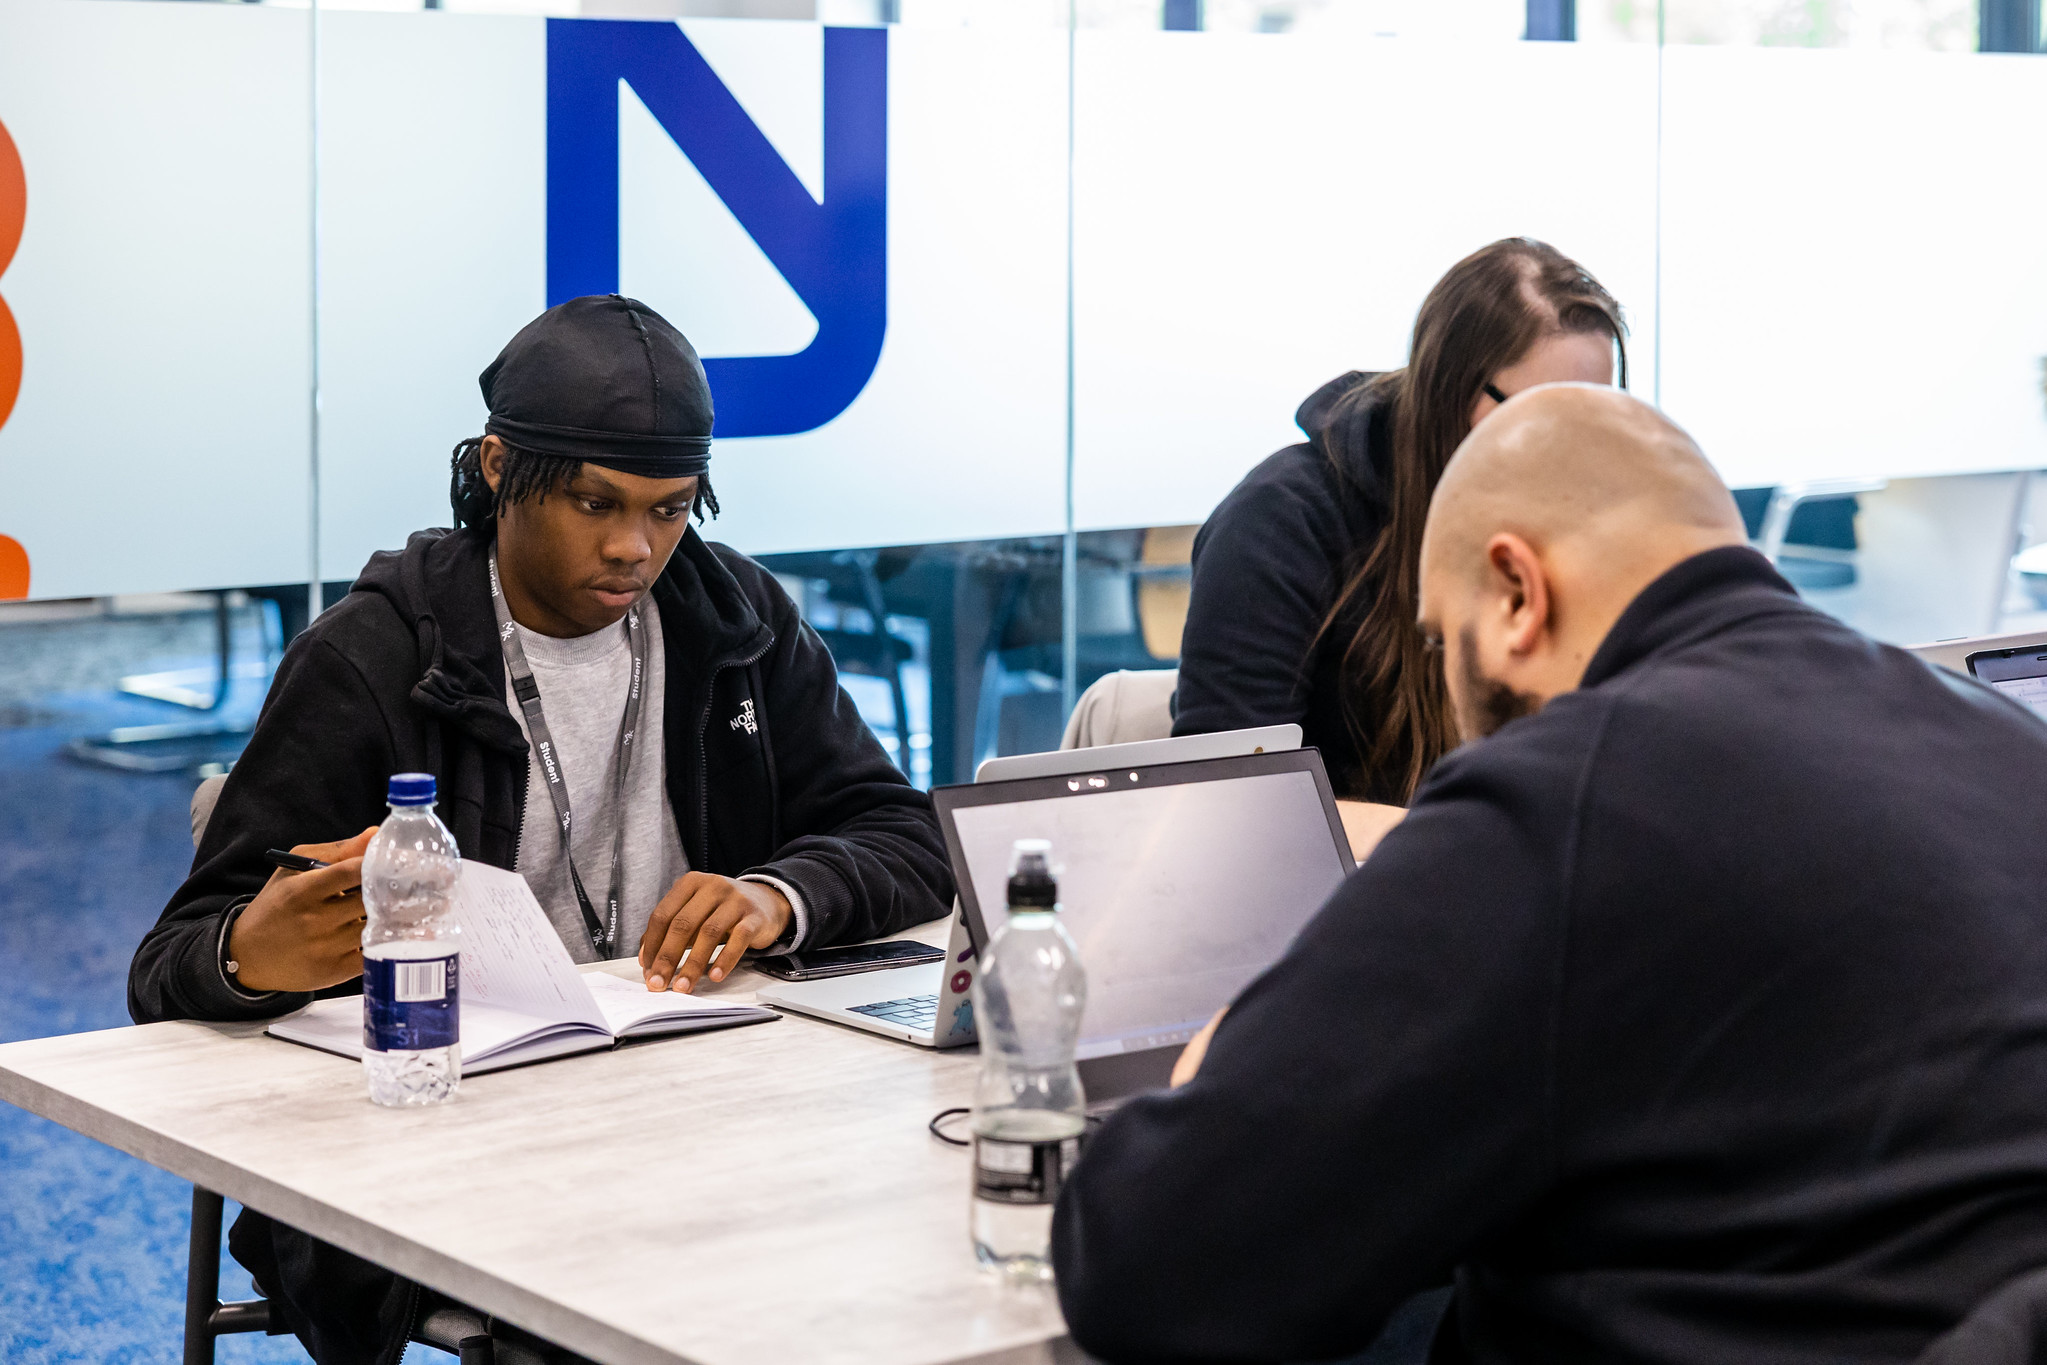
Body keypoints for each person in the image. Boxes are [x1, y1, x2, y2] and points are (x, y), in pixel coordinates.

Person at [1052, 385, 2047, 1364]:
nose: (1444, 691)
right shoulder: (2009, 745)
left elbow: (1148, 1266)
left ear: (1517, 592)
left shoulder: (1560, 801)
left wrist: (1223, 1054)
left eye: (1440, 639)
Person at [127, 295, 954, 1364]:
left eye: (668, 510)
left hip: (697, 1105)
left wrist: (774, 894)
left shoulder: (734, 620)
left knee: (885, 1259)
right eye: (593, 503)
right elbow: (171, 964)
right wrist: (252, 953)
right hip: (444, 1134)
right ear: (497, 470)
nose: (634, 548)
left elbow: (905, 830)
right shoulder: (374, 655)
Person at [1172, 238, 1625, 843]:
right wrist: (1455, 844)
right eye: (1545, 417)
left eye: (1593, 421)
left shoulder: (1563, 524)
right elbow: (1226, 803)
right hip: (1332, 903)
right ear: (1451, 396)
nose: (1570, 456)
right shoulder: (1283, 521)